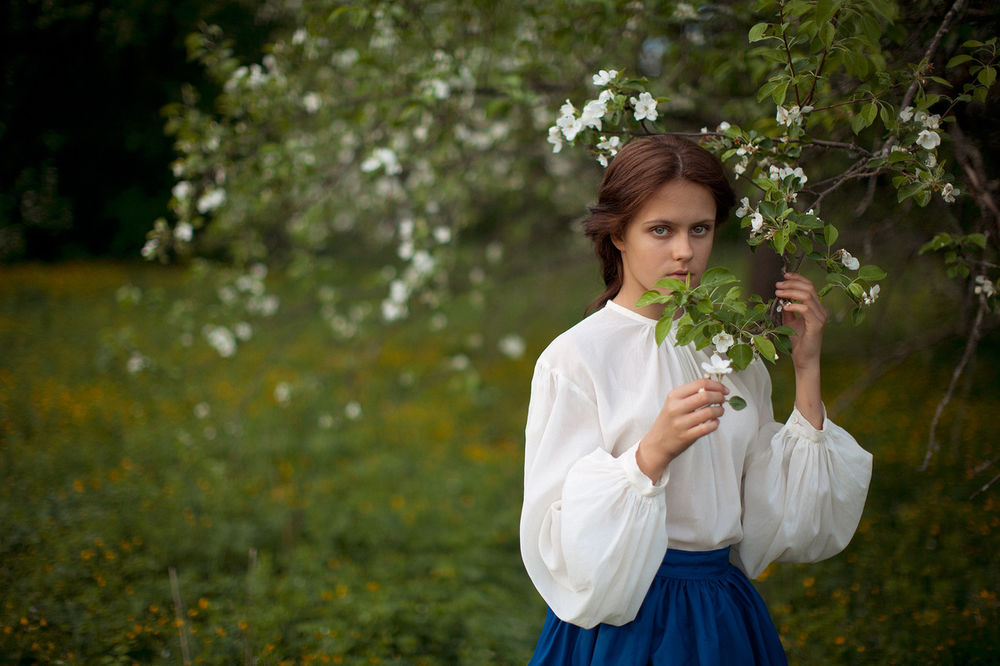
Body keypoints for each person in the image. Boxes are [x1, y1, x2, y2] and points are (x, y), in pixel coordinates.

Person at [519, 134, 873, 665]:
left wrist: (806, 369)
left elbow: (781, 517)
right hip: (625, 621)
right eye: (660, 230)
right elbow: (556, 538)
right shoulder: (576, 359)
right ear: (618, 233)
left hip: (720, 615)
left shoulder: (732, 351)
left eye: (699, 229)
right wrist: (650, 455)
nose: (684, 250)